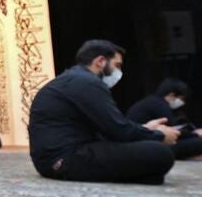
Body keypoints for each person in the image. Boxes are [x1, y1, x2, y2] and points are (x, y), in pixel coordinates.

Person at [28, 39, 178, 184]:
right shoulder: (87, 82)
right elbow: (118, 130)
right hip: (64, 159)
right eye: (117, 65)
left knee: (152, 167)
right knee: (161, 153)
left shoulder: (76, 79)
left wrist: (146, 129)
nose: (119, 72)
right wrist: (160, 136)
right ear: (100, 61)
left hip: (55, 159)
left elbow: (110, 127)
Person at [126, 78, 202, 160]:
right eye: (181, 99)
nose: (182, 103)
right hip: (146, 146)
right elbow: (173, 133)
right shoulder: (160, 105)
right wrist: (196, 134)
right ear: (172, 95)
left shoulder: (153, 101)